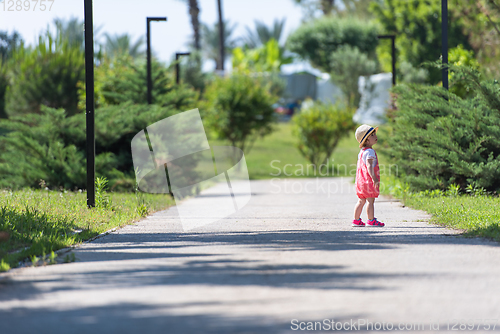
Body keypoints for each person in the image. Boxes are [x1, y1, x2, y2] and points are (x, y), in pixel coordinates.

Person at [352, 124, 385, 227]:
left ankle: (356, 220)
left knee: (361, 200)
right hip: (368, 181)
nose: (375, 136)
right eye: (372, 135)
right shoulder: (370, 152)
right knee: (370, 201)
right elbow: (369, 165)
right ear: (366, 140)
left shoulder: (362, 152)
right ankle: (371, 220)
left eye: (374, 134)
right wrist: (374, 178)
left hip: (360, 181)